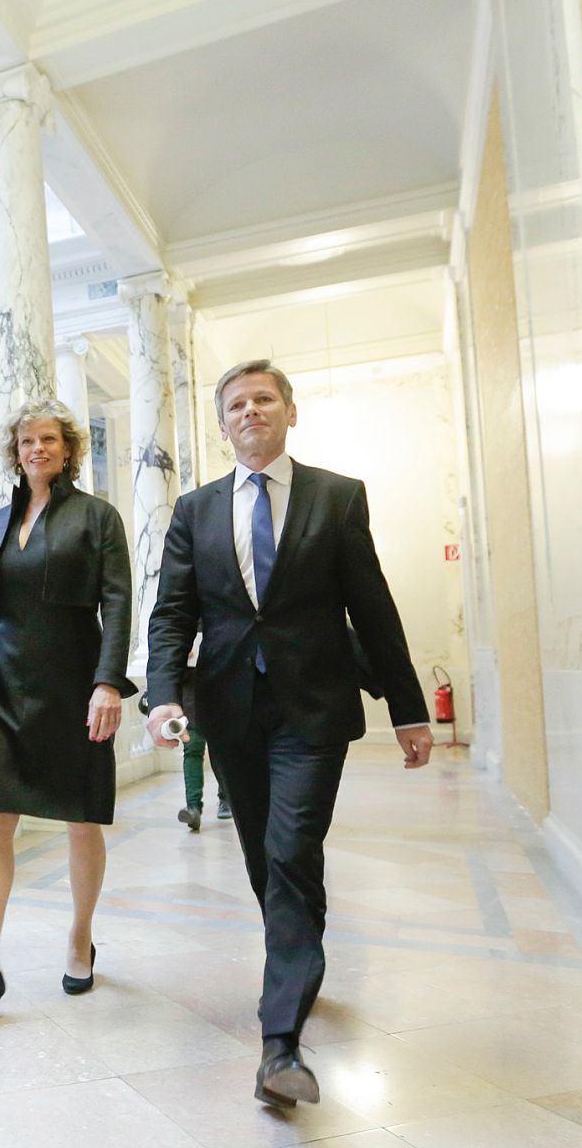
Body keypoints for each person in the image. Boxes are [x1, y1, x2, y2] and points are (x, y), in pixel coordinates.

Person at [146, 360, 431, 1106]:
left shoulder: (337, 497)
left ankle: (280, 1045)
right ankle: (299, 956)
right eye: (236, 404)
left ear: (290, 411)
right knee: (266, 859)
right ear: (223, 425)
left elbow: (372, 607)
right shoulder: (195, 510)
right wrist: (162, 694)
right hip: (231, 710)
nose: (251, 411)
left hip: (314, 708)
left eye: (264, 399)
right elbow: (173, 612)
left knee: (291, 847)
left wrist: (408, 708)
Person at [0, 400, 133, 1016]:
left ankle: (80, 937)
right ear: (15, 453)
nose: (36, 449)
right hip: (3, 689)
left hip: (74, 686)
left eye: (48, 439)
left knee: (81, 819)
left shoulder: (98, 517)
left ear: (67, 449)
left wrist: (107, 683)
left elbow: (118, 603)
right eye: (26, 442)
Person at [177, 721, 229, 832]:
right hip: (193, 713)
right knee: (192, 748)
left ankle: (226, 797)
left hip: (223, 713)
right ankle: (193, 808)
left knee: (222, 750)